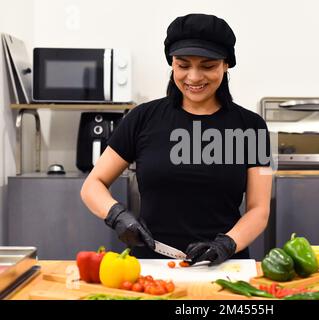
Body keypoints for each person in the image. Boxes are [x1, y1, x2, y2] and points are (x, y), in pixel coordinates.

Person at [80, 13, 273, 266]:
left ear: (226, 65)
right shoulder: (142, 118)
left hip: (225, 266)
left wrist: (226, 244)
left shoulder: (252, 126)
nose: (193, 77)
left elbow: (259, 209)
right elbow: (93, 184)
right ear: (172, 64)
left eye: (207, 66)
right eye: (183, 65)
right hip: (152, 265)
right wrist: (116, 215)